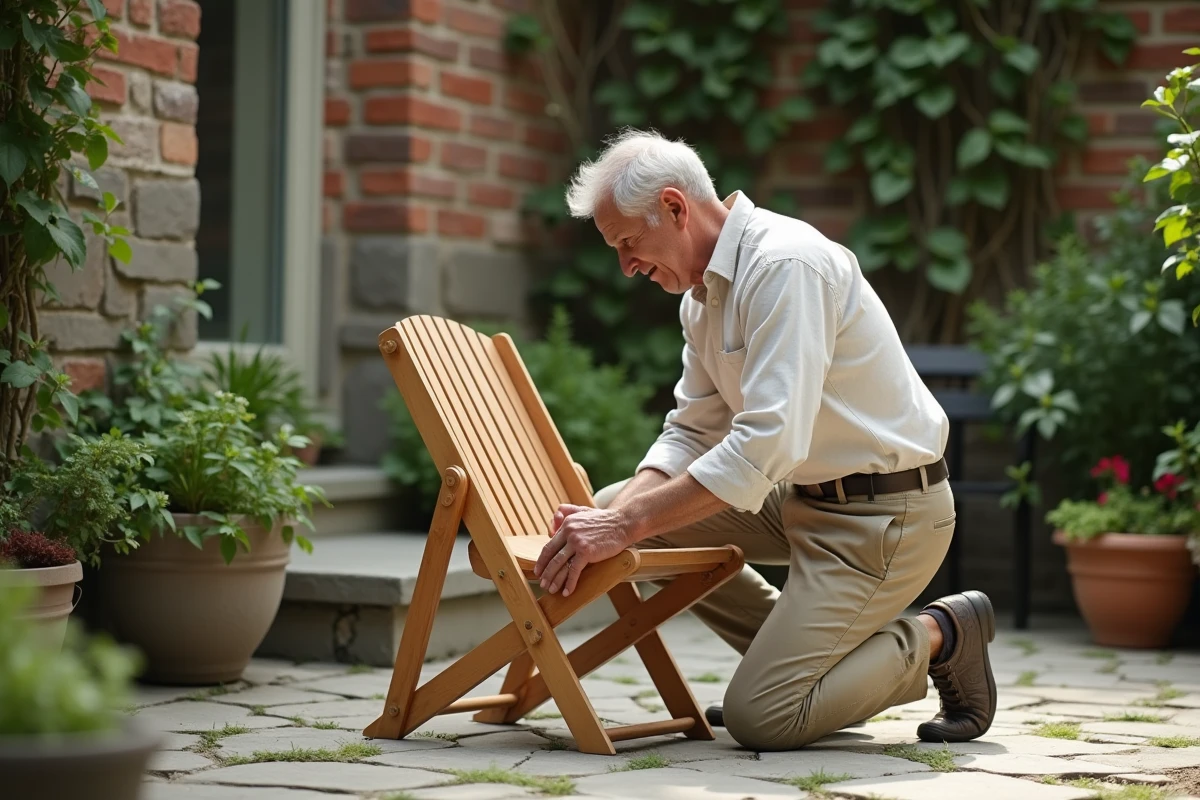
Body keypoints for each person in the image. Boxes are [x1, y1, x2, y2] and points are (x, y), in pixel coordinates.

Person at [532, 128, 996, 751]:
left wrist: (624, 528)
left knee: (763, 718)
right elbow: (693, 428)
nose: (626, 266)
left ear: (674, 207)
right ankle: (816, 675)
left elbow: (767, 442)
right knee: (623, 503)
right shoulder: (700, 299)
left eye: (628, 242)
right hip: (804, 499)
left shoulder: (784, 265)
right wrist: (620, 515)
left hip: (887, 517)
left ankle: (945, 632)